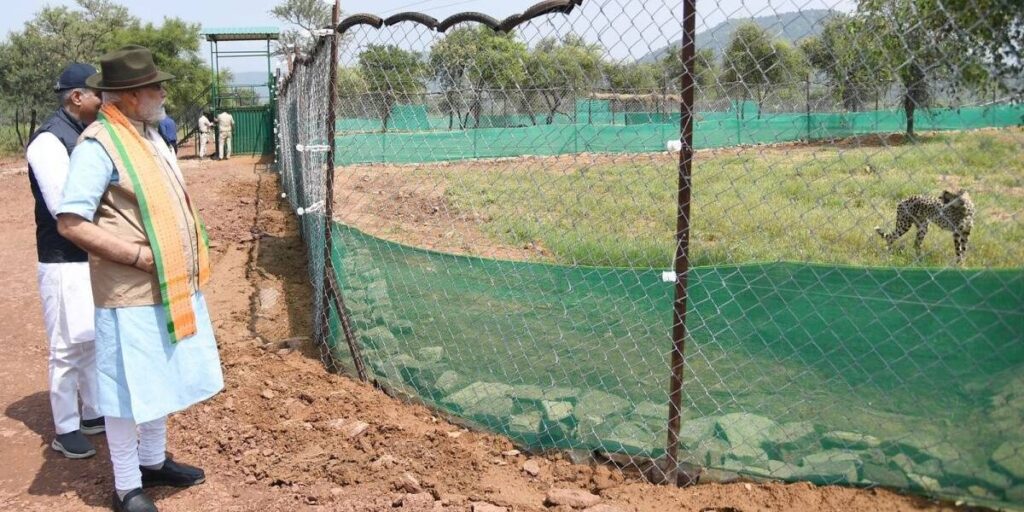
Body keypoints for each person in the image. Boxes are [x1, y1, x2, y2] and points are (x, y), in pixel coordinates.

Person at [56, 45, 223, 512]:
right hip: (130, 291)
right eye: (156, 85)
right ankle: (127, 485)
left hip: (166, 286)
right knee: (126, 390)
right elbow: (71, 222)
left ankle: (152, 461)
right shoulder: (99, 145)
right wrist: (137, 256)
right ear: (130, 95)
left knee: (159, 378)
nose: (163, 91)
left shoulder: (147, 135)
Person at [25, 63, 106, 459]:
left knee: (90, 339)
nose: (104, 100)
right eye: (97, 94)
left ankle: (92, 413)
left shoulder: (82, 135)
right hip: (63, 260)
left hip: (87, 255)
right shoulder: (49, 142)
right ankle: (66, 427)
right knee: (65, 346)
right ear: (77, 97)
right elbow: (65, 209)